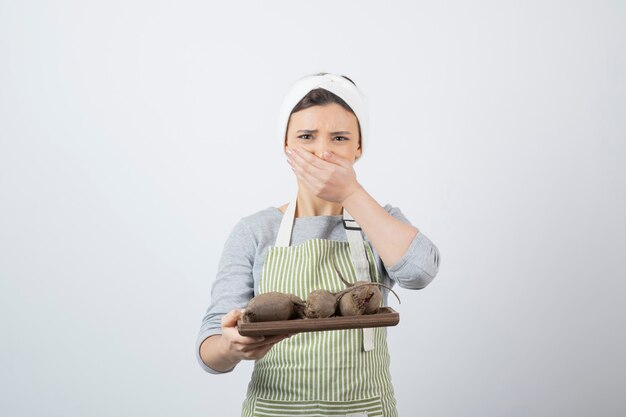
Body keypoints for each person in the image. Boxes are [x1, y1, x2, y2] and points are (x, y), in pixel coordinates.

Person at [196, 72, 441, 417]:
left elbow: (421, 272)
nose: (323, 152)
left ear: (358, 148)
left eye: (339, 138)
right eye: (306, 136)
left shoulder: (379, 219)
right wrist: (232, 346)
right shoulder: (255, 231)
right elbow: (209, 352)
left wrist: (351, 194)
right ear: (286, 145)